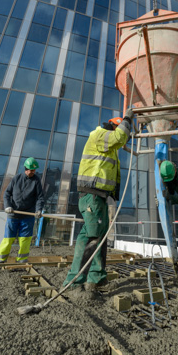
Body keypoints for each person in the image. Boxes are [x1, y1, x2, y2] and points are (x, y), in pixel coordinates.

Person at [63, 110, 133, 292]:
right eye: (121, 130)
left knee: (96, 236)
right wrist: (128, 119)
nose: (123, 139)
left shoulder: (109, 147)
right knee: (93, 238)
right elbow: (119, 137)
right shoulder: (100, 135)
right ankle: (75, 281)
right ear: (113, 126)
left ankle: (97, 276)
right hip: (91, 196)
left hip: (98, 197)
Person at [0, 157, 44, 264]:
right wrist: (7, 206)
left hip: (28, 215)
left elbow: (40, 197)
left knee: (25, 240)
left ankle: (22, 260)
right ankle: (1, 259)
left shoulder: (36, 181)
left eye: (34, 170)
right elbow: (7, 194)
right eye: (31, 170)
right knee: (8, 238)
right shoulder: (17, 178)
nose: (33, 172)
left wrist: (38, 210)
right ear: (26, 169)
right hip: (13, 215)